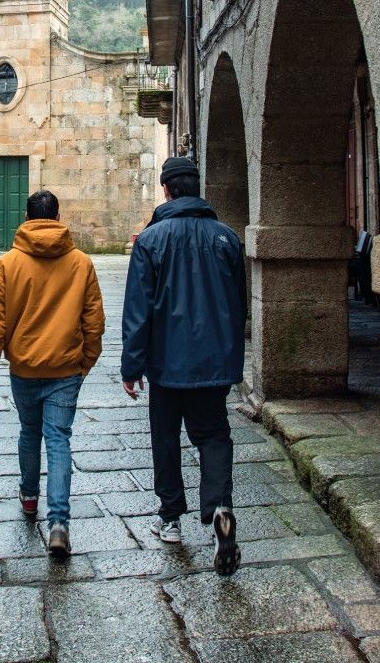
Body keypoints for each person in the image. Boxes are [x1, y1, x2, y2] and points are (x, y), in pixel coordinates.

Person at [122, 155, 246, 575]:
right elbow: (238, 306)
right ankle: (219, 508)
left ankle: (171, 519)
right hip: (213, 362)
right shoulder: (227, 239)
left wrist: (130, 365)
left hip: (165, 364)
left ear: (167, 190)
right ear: (196, 187)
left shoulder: (152, 241)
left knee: (166, 437)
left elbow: (138, 311)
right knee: (213, 436)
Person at [0, 189, 105, 559]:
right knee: (59, 439)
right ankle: (60, 524)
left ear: (27, 217)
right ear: (57, 216)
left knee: (30, 433)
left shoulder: (6, 265)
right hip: (66, 368)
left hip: (24, 368)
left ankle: (30, 499)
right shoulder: (81, 263)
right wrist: (85, 362)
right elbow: (94, 321)